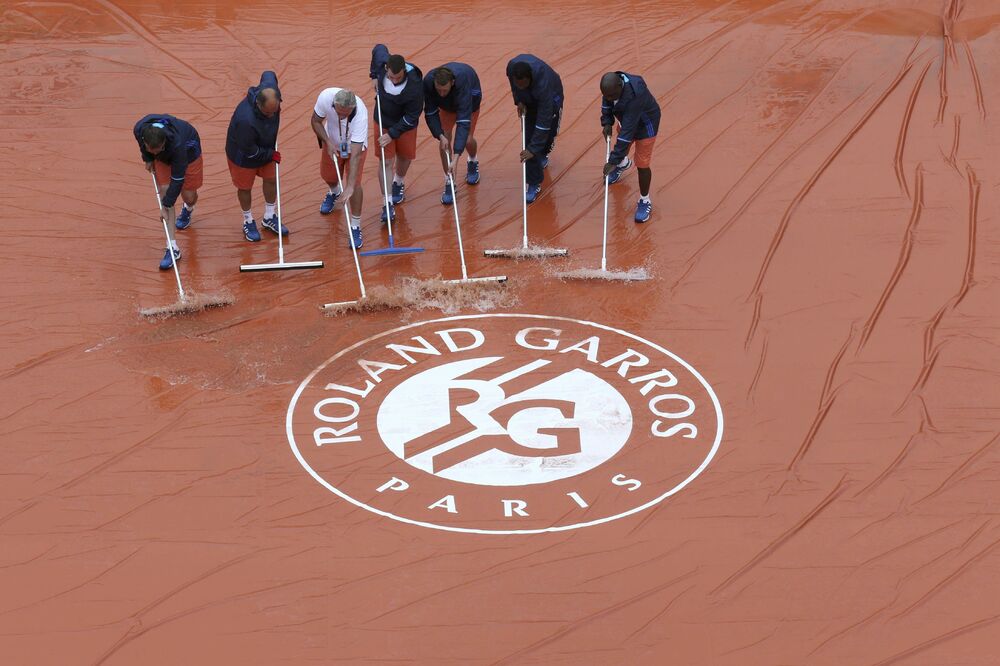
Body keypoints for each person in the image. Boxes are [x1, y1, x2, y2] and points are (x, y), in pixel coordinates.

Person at [133, 114, 203, 269]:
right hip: (163, 156)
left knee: (189, 197)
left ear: (164, 142)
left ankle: (188, 208)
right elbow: (142, 146)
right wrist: (148, 158)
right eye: (153, 151)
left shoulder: (178, 146)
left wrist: (165, 206)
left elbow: (177, 181)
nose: (156, 152)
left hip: (189, 153)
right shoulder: (139, 128)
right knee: (165, 190)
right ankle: (172, 248)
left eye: (159, 150)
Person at [225, 70, 286, 242]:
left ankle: (269, 216)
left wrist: (269, 152)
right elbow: (249, 150)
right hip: (243, 156)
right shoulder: (245, 120)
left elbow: (269, 74)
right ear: (259, 105)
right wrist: (270, 155)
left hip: (266, 146)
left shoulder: (270, 92)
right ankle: (248, 220)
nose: (272, 115)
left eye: (275, 111)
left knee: (271, 179)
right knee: (245, 188)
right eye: (268, 113)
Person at [369, 44, 423, 222]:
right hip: (383, 120)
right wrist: (373, 76)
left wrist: (392, 134)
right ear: (386, 69)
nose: (394, 80)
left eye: (398, 78)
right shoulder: (382, 64)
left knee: (405, 156)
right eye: (391, 77)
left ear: (404, 73)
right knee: (386, 161)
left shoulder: (414, 86)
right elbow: (378, 48)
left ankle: (398, 182)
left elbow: (412, 115)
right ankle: (387, 204)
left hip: (405, 123)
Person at [600, 71, 662, 223]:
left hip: (645, 125)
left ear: (620, 87)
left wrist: (612, 161)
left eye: (611, 96)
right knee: (623, 146)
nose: (608, 99)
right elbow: (607, 104)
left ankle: (645, 200)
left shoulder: (635, 96)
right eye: (606, 95)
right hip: (626, 118)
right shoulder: (611, 89)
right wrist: (607, 121)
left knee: (642, 164)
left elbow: (627, 134)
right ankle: (623, 164)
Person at [311, 87, 368, 249]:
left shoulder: (360, 115)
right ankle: (334, 192)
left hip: (355, 148)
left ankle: (355, 225)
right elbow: (315, 121)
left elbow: (356, 155)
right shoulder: (325, 97)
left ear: (353, 107)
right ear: (333, 104)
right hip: (332, 142)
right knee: (328, 175)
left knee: (355, 185)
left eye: (346, 114)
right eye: (339, 113)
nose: (342, 116)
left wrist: (349, 187)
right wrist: (327, 142)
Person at [506, 55, 563, 204]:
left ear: (530, 79)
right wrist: (518, 100)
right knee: (528, 142)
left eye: (524, 85)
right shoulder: (511, 68)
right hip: (528, 101)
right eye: (519, 85)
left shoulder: (544, 86)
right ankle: (534, 183)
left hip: (551, 100)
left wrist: (534, 149)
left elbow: (544, 120)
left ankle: (543, 152)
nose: (521, 87)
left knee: (547, 135)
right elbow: (514, 86)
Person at [423, 62, 482, 205]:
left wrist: (456, 156)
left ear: (452, 83)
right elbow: (430, 113)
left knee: (467, 139)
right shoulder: (428, 83)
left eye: (445, 90)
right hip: (446, 107)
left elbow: (463, 122)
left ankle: (472, 160)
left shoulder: (463, 83)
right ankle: (449, 180)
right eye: (439, 90)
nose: (441, 93)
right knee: (444, 142)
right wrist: (440, 135)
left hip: (470, 102)